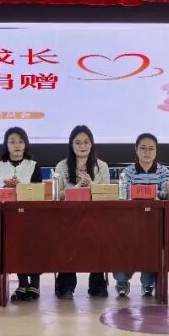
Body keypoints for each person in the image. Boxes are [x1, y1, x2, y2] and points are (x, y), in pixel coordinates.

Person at [53, 125, 111, 299]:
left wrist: (92, 186)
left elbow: (107, 194)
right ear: (71, 145)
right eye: (77, 142)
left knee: (99, 235)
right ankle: (66, 285)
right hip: (68, 219)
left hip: (95, 218)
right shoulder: (62, 166)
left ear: (92, 144)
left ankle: (97, 284)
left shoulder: (102, 166)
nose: (82, 146)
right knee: (66, 237)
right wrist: (77, 188)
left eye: (86, 142)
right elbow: (56, 195)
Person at [0, 126, 43, 303]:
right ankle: (22, 284)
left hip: (30, 216)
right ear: (6, 145)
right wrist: (5, 188)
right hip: (7, 217)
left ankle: (35, 284)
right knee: (15, 249)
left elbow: (38, 192)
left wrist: (20, 187)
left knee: (32, 248)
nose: (17, 145)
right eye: (12, 142)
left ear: (26, 144)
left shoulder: (34, 166)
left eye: (20, 141)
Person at [118, 133, 169, 298]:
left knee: (152, 251)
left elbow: (165, 193)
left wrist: (141, 192)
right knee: (121, 248)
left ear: (156, 151)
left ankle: (147, 283)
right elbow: (125, 193)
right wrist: (152, 193)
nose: (147, 152)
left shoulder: (163, 171)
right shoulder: (127, 172)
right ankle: (122, 281)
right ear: (136, 150)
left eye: (151, 149)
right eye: (143, 148)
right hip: (130, 223)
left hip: (155, 223)